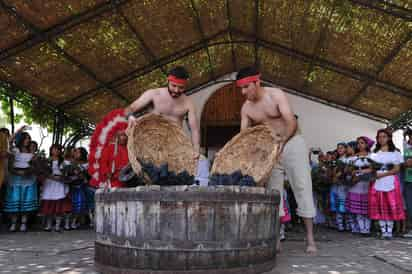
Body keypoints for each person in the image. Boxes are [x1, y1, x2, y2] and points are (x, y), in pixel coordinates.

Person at [236, 66, 317, 253]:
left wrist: (283, 142)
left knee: (302, 186)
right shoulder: (246, 108)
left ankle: (311, 239)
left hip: (292, 142)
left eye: (246, 87)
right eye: (241, 88)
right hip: (270, 148)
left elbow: (291, 121)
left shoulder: (276, 95)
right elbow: (244, 136)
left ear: (257, 82)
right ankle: (277, 239)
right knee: (274, 193)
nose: (243, 92)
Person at [125, 66, 200, 157]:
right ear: (168, 81)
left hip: (174, 146)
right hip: (150, 144)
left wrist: (196, 149)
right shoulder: (153, 94)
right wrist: (131, 117)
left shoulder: (189, 103)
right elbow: (129, 109)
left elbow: (194, 130)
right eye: (173, 86)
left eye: (181, 87)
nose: (176, 90)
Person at [369, 129, 405, 239]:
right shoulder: (374, 153)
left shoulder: (395, 153)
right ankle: (383, 231)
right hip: (377, 182)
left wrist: (383, 175)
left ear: (389, 138)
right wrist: (374, 173)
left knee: (389, 205)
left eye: (384, 136)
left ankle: (389, 231)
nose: (381, 139)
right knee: (380, 206)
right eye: (379, 137)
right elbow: (371, 168)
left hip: (390, 181)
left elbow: (397, 169)